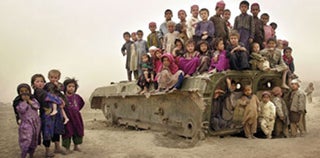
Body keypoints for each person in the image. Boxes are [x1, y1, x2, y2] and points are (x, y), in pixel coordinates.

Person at [31, 74, 66, 157]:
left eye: (42, 81)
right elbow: (49, 97)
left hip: (55, 113)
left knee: (56, 130)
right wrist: (60, 100)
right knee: (47, 132)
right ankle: (47, 151)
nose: (40, 83)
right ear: (33, 84)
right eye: (37, 81)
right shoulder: (38, 91)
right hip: (46, 115)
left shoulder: (46, 90)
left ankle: (57, 147)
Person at [14, 83, 41, 158]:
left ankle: (31, 154)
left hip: (35, 123)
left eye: (26, 91)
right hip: (26, 124)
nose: (24, 93)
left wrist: (29, 101)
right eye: (22, 92)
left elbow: (37, 106)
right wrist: (25, 102)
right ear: (19, 93)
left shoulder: (33, 100)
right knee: (26, 140)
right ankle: (24, 154)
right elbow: (21, 110)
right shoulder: (18, 102)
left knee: (33, 139)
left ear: (29, 91)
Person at [62, 78, 85, 153]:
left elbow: (81, 103)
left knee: (77, 130)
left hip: (76, 118)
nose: (71, 88)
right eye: (69, 86)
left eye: (73, 86)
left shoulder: (77, 97)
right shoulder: (62, 97)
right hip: (67, 118)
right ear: (65, 87)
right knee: (67, 132)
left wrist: (76, 110)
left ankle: (77, 146)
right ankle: (66, 148)